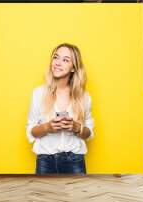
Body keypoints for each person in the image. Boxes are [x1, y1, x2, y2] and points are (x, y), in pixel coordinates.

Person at [26, 43, 94, 174]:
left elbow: (89, 133)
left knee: (77, 194)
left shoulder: (84, 97)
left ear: (73, 68)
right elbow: (31, 131)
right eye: (56, 57)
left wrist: (76, 127)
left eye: (65, 60)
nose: (57, 63)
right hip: (45, 160)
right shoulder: (38, 93)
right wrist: (48, 127)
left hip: (75, 161)